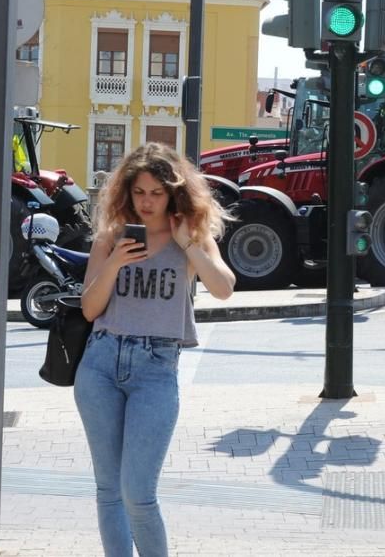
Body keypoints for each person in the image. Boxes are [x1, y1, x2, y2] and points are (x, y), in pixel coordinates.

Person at [76, 143, 236, 556]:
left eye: (156, 193)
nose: (147, 203)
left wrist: (188, 244)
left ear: (173, 194)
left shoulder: (190, 237)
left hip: (156, 369)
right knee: (108, 490)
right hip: (101, 364)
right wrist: (114, 262)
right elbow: (91, 309)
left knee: (139, 493)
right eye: (139, 193)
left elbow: (223, 289)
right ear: (126, 193)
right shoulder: (112, 238)